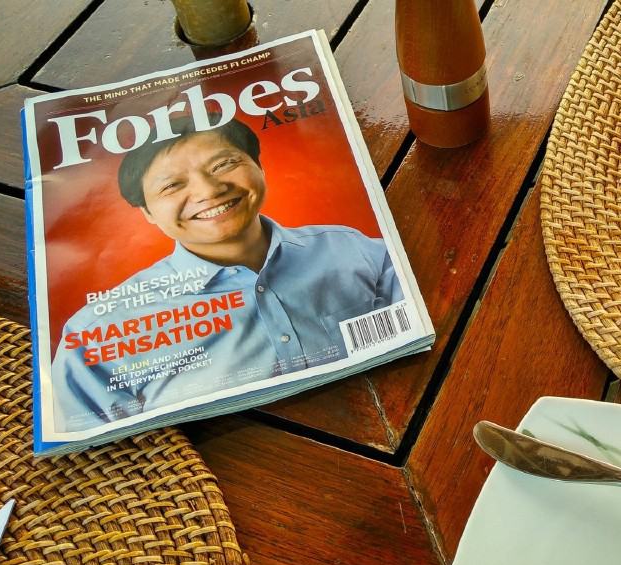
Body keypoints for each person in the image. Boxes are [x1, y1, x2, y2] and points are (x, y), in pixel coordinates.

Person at [50, 115, 403, 433]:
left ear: (259, 167)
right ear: (148, 212)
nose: (208, 191)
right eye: (171, 186)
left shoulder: (350, 248)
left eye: (223, 164)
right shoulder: (95, 334)